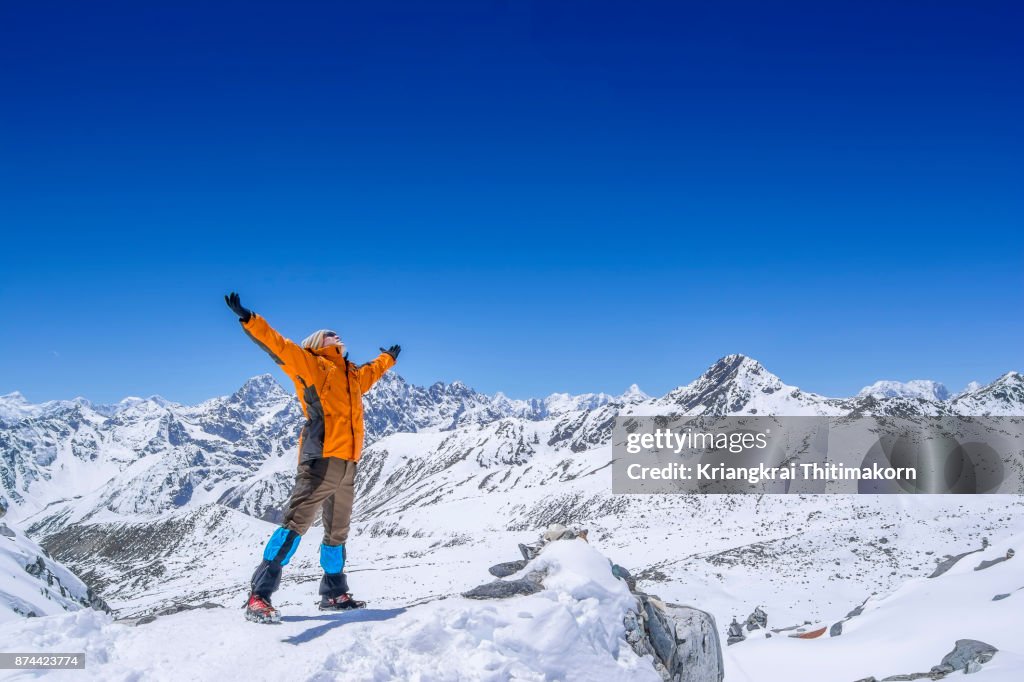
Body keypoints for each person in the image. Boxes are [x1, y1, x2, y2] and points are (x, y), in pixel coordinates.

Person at [224, 292, 400, 623]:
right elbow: (279, 345)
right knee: (294, 526)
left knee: (337, 532)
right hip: (320, 460)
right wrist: (250, 320)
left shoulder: (350, 375)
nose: (338, 334)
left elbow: (371, 373)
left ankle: (333, 593)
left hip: (348, 464)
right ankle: (258, 595)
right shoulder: (312, 366)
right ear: (319, 342)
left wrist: (387, 359)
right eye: (331, 333)